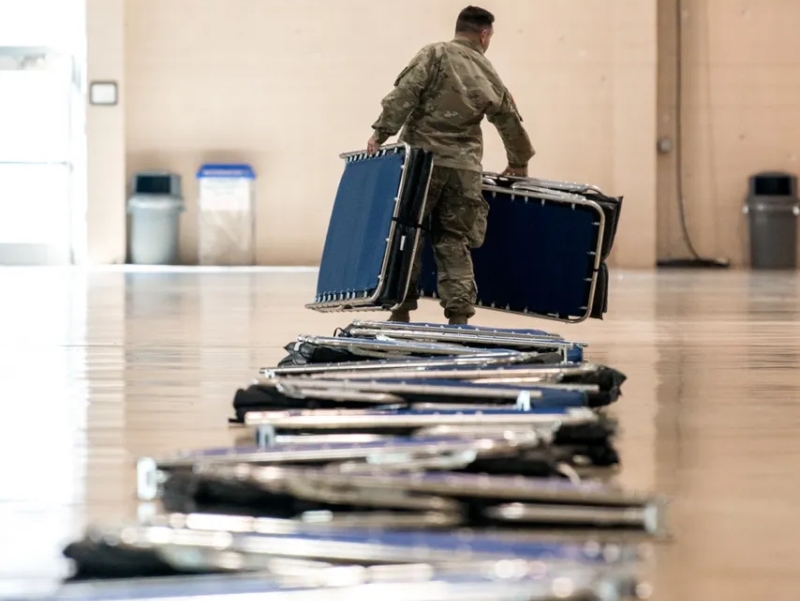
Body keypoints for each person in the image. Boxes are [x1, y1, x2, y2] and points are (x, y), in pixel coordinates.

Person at [367, 5, 535, 326]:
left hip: (422, 166)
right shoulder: (488, 72)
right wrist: (518, 162)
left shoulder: (434, 55)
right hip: (463, 170)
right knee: (454, 240)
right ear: (484, 35)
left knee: (408, 233)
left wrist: (380, 133)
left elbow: (405, 93)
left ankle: (401, 310)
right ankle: (459, 317)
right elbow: (509, 120)